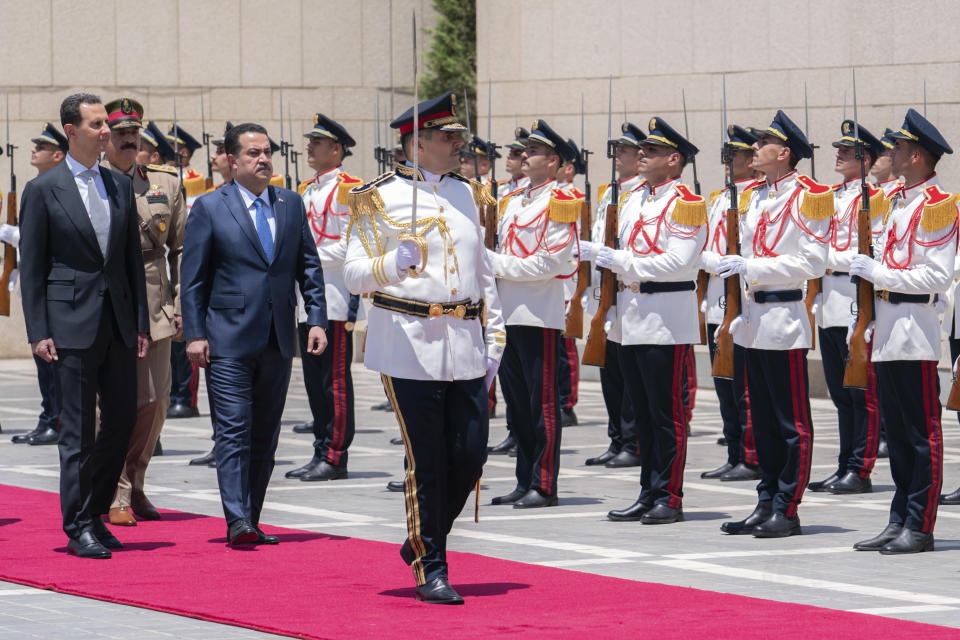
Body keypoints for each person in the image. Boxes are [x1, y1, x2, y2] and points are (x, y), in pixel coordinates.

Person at [344, 91, 504, 604]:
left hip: (464, 342)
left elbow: (484, 275)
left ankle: (422, 536)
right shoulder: (375, 197)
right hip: (408, 344)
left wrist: (494, 337)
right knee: (428, 460)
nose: (459, 145)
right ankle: (432, 564)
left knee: (471, 455)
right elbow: (352, 274)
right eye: (447, 137)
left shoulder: (471, 194)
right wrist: (392, 262)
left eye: (459, 136)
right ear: (416, 143)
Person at [180, 122, 328, 546]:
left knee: (265, 430)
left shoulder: (290, 204)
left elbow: (309, 267)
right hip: (227, 338)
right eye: (252, 153)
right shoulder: (210, 207)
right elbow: (193, 279)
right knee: (233, 429)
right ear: (232, 160)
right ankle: (237, 518)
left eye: (267, 152)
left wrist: (315, 318)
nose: (263, 159)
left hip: (278, 338)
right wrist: (195, 333)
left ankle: (252, 517)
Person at [19, 92, 150, 558]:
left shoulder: (117, 184)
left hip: (116, 322)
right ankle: (77, 527)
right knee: (77, 433)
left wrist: (138, 321)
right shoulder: (43, 190)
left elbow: (130, 260)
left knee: (120, 422)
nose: (106, 132)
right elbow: (32, 267)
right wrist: (38, 332)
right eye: (96, 125)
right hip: (69, 325)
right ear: (72, 132)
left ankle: (94, 513)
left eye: (106, 125)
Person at [716, 110, 831, 538]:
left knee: (790, 422)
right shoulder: (755, 196)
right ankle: (765, 501)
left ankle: (788, 506)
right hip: (752, 318)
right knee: (760, 421)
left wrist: (752, 265)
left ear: (783, 153)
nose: (753, 151)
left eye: (762, 144)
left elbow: (812, 261)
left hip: (784, 318)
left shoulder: (808, 195)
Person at [588, 116, 707, 524]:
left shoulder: (687, 203)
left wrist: (619, 261)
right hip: (631, 315)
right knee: (641, 413)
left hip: (665, 318)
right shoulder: (635, 198)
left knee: (665, 414)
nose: (642, 154)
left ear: (674, 160)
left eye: (652, 151)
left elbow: (679, 261)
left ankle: (669, 496)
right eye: (643, 149)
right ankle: (648, 490)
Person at [851, 109, 955, 553]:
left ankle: (921, 523)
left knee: (918, 431)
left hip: (914, 325)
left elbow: (935, 276)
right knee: (896, 428)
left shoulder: (938, 207)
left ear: (915, 155)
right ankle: (899, 517)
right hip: (888, 327)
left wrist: (879, 273)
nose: (889, 154)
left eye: (896, 148)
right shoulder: (895, 200)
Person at [99, 98, 186, 526]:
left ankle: (136, 483)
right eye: (120, 133)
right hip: (107, 302)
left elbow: (182, 249)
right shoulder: (91, 183)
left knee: (154, 401)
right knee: (110, 404)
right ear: (105, 138)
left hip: (154, 302)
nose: (129, 139)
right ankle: (113, 492)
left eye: (134, 132)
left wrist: (182, 303)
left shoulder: (165, 184)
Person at [490, 119, 580, 509]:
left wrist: (495, 263)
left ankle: (544, 484)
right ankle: (524, 477)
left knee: (542, 405)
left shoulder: (560, 200)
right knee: (517, 402)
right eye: (525, 150)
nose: (525, 156)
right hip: (507, 310)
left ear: (554, 160)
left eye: (535, 151)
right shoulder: (512, 200)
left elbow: (550, 261)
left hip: (538, 312)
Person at [807, 120, 885, 495]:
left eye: (847, 151)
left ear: (865, 158)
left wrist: (821, 258)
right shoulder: (830, 196)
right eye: (838, 149)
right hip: (829, 300)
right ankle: (843, 465)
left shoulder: (875, 197)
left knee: (861, 391)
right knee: (841, 392)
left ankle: (861, 468)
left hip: (856, 299)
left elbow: (865, 251)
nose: (838, 154)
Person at [285, 113, 363, 482]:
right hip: (307, 298)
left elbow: (351, 246)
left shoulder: (349, 188)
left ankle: (335, 455)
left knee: (334, 380)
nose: (308, 148)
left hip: (333, 297)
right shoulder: (307, 188)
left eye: (316, 143)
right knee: (315, 382)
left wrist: (304, 254)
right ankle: (321, 448)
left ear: (336, 148)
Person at [581, 122, 646, 468]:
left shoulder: (639, 193)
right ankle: (617, 437)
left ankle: (632, 441)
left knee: (626, 372)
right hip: (603, 291)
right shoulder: (612, 191)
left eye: (623, 150)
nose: (617, 155)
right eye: (616, 149)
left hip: (626, 290)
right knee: (609, 373)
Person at [699, 125, 760, 482]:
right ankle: (735, 450)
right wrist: (708, 261)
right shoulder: (719, 197)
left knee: (744, 387)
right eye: (725, 155)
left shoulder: (754, 197)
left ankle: (751, 456)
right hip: (716, 298)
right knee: (723, 382)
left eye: (734, 155)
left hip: (741, 298)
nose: (727, 161)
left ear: (751, 161)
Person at [5, 123, 68, 445]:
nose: (34, 150)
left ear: (58, 155)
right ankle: (48, 416)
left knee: (51, 359)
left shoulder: (51, 188)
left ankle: (56, 420)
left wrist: (11, 235)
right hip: (40, 283)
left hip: (55, 286)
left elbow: (42, 241)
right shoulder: (39, 185)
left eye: (41, 147)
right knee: (44, 359)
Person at [167, 123, 205, 420]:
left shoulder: (193, 182)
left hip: (186, 261)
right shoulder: (166, 180)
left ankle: (186, 396)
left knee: (185, 336)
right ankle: (173, 393)